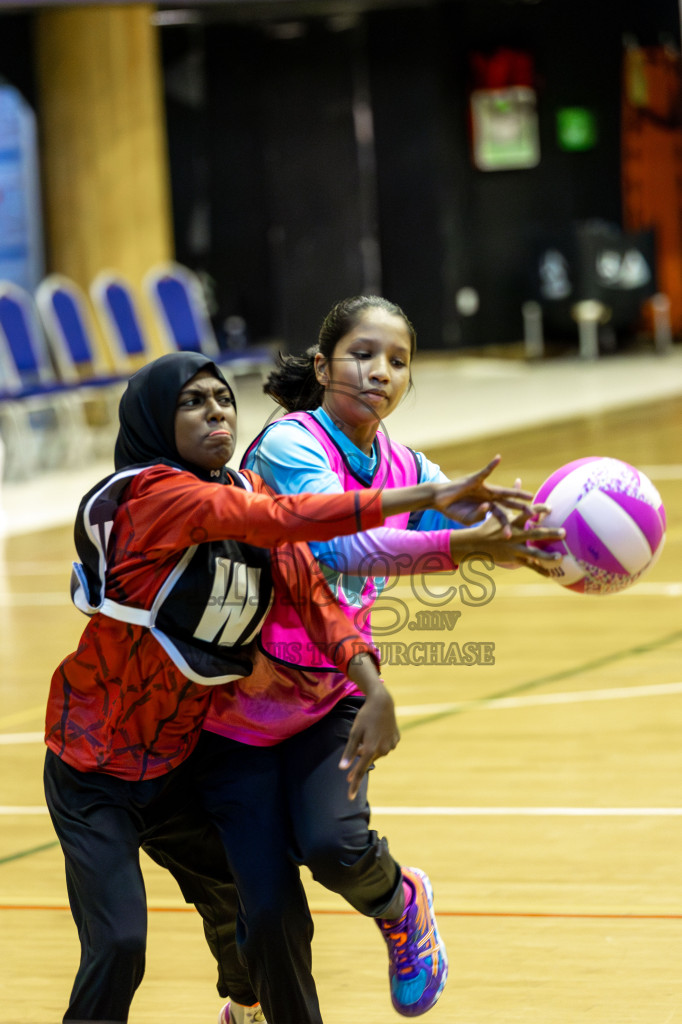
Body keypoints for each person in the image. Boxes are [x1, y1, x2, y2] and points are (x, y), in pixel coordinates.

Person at [44, 351, 543, 1024]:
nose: (216, 409)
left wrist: (371, 682)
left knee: (258, 902)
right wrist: (429, 496)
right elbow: (282, 519)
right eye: (193, 402)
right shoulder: (153, 496)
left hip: (176, 764)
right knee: (122, 944)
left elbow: (308, 587)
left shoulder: (240, 485)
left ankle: (247, 1005)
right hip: (94, 766)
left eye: (223, 397)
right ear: (155, 421)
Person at [203, 296, 565, 1021]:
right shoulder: (290, 445)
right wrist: (465, 543)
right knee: (263, 900)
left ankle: (403, 905)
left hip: (330, 690)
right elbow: (341, 544)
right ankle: (245, 1005)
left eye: (398, 362)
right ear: (322, 363)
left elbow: (447, 515)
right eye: (363, 354)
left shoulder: (404, 462)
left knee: (335, 847)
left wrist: (534, 532)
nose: (381, 372)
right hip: (232, 705)